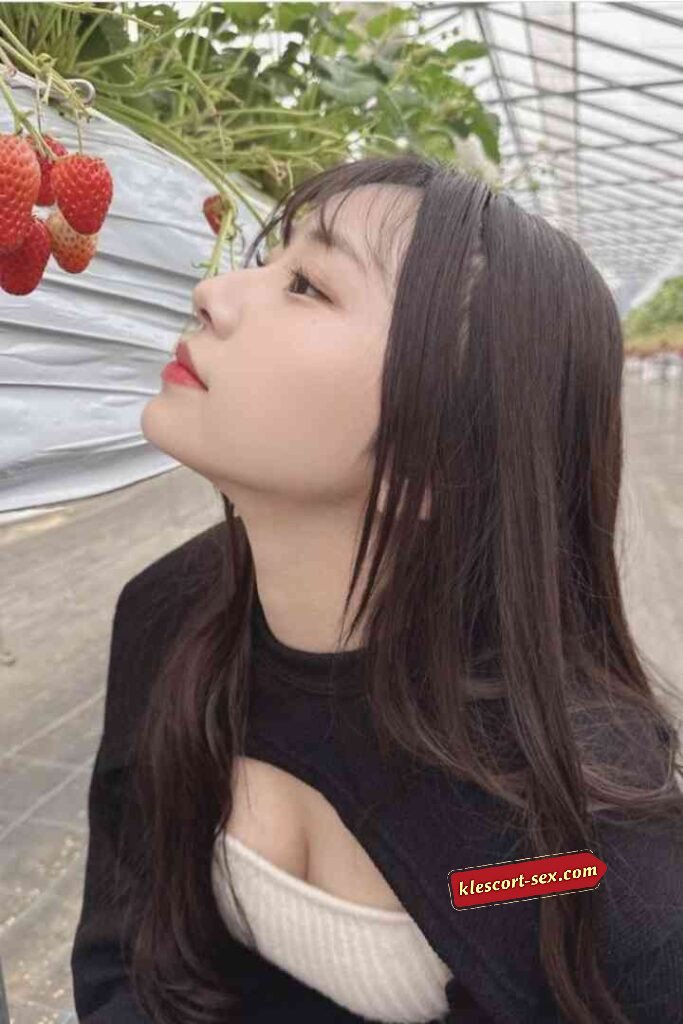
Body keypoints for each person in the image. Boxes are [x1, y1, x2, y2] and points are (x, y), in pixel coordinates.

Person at [71, 153, 683, 1024]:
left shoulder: (573, 849)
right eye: (273, 259)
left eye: (309, 286)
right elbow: (123, 957)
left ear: (441, 449)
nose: (217, 293)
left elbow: (517, 897)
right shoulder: (169, 612)